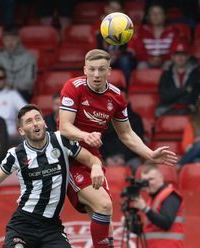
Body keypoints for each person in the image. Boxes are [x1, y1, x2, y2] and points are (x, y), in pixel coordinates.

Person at [59, 49, 178, 248]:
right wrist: (85, 135)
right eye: (92, 69)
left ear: (109, 71)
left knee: (105, 216)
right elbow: (64, 127)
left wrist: (149, 153)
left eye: (101, 70)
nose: (96, 74)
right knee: (104, 205)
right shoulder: (73, 87)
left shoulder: (116, 96)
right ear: (85, 70)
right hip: (68, 153)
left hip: (93, 155)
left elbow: (126, 134)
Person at [0, 104, 105, 248]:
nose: (35, 123)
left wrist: (96, 166)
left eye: (38, 118)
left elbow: (91, 159)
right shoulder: (16, 154)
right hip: (23, 225)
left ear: (44, 123)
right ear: (21, 130)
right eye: (29, 121)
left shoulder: (60, 140)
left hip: (52, 227)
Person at [132, 163, 185, 248]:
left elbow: (166, 223)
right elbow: (148, 230)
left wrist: (145, 209)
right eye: (144, 181)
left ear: (161, 177)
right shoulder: (152, 201)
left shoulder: (170, 195)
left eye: (151, 179)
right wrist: (130, 225)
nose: (148, 184)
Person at [100, 87, 144, 172]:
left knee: (137, 166)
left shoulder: (136, 119)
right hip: (108, 158)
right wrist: (107, 158)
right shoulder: (104, 119)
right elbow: (100, 142)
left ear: (127, 100)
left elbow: (138, 142)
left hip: (129, 158)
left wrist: (124, 158)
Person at [156, 41, 200, 116]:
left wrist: (175, 94)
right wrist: (185, 90)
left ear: (188, 56)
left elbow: (198, 95)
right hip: (169, 109)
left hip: (190, 110)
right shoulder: (166, 75)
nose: (180, 58)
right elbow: (164, 95)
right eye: (177, 55)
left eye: (183, 55)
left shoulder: (197, 74)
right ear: (172, 57)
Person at [95, 0, 136, 84]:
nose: (114, 12)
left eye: (118, 10)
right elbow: (94, 47)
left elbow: (131, 48)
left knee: (125, 60)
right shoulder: (97, 25)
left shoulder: (127, 25)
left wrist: (116, 55)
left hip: (121, 57)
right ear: (106, 9)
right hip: (103, 57)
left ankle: (126, 89)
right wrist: (107, 57)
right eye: (112, 8)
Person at [128, 3, 179, 70]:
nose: (155, 16)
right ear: (148, 17)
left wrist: (162, 58)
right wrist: (148, 59)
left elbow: (176, 50)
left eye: (159, 13)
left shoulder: (173, 31)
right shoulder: (142, 31)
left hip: (166, 61)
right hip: (146, 61)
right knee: (141, 66)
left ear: (164, 16)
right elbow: (138, 50)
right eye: (153, 13)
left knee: (169, 65)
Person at [0, 28, 37, 102]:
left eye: (13, 40)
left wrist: (12, 87)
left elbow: (29, 81)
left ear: (18, 39)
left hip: (22, 92)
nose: (10, 43)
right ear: (3, 41)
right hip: (1, 92)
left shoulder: (29, 57)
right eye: (7, 40)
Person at [0, 66, 27, 146]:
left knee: (29, 138)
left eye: (0, 78)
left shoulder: (12, 94)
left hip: (10, 135)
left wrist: (21, 129)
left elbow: (27, 111)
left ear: (5, 80)